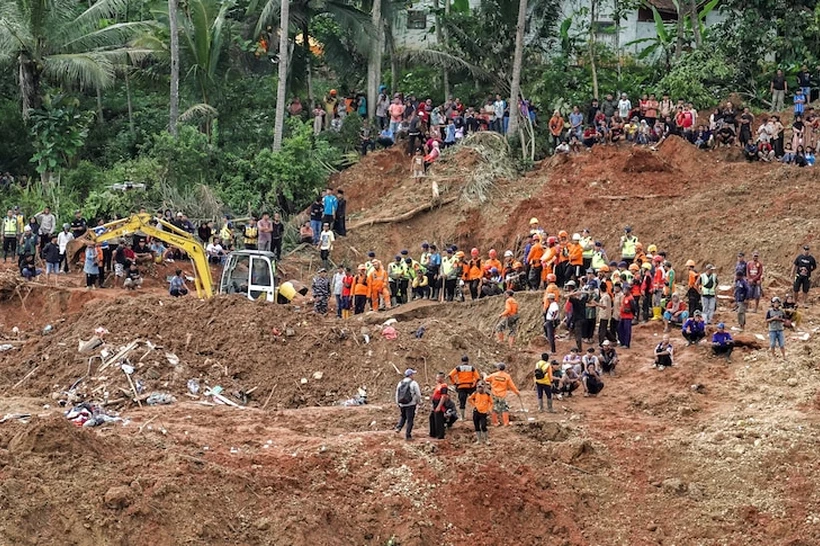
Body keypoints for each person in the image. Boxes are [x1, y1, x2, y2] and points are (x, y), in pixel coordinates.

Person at [448, 355, 480, 420]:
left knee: (462, 402)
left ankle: (462, 417)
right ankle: (479, 414)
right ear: (468, 361)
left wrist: (454, 383)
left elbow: (450, 375)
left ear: (461, 361)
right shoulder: (472, 368)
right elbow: (478, 378)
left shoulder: (458, 368)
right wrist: (474, 384)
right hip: (470, 386)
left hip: (461, 386)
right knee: (475, 400)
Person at [394, 368, 422, 441]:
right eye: (413, 374)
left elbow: (397, 393)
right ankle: (408, 435)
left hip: (402, 404)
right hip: (411, 404)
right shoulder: (413, 383)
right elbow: (418, 394)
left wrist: (398, 403)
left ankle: (398, 427)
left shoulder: (400, 383)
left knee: (403, 416)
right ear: (410, 375)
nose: (414, 375)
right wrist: (418, 402)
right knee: (410, 420)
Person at [429, 372, 450, 440]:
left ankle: (440, 436)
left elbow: (443, 397)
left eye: (438, 377)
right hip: (435, 404)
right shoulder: (438, 385)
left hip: (440, 405)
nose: (437, 378)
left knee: (439, 420)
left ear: (442, 378)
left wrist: (439, 406)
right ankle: (433, 433)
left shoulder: (444, 386)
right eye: (437, 377)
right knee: (432, 418)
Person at [618, 281, 637, 348]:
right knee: (620, 329)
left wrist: (632, 314)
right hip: (622, 316)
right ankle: (622, 342)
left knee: (627, 330)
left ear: (628, 290)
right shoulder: (624, 297)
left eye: (625, 290)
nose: (624, 291)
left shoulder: (630, 298)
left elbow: (633, 308)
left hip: (628, 317)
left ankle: (626, 344)